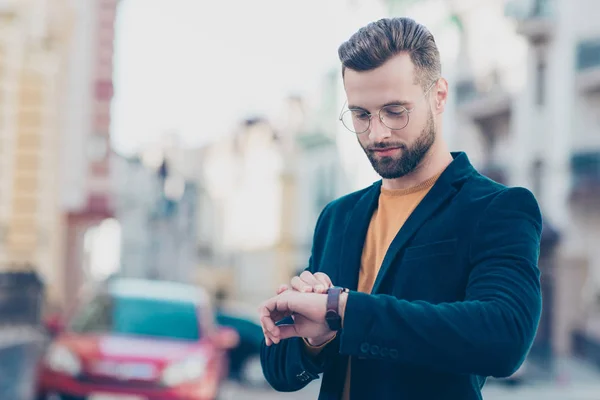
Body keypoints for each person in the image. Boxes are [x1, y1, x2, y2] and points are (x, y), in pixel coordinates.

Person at [258, 17, 543, 400]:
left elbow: (505, 337)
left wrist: (345, 310)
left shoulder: (497, 209)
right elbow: (280, 372)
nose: (377, 133)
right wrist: (315, 338)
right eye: (361, 115)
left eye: (395, 111)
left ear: (439, 96)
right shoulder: (337, 218)